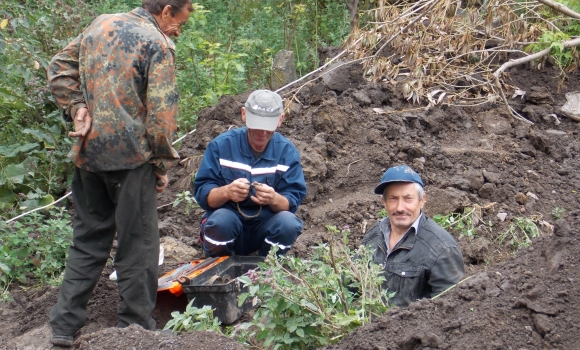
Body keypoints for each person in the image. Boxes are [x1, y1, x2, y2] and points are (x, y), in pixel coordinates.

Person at [47, 0, 193, 346]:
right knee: (138, 246)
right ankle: (135, 330)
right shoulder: (157, 43)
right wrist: (159, 166)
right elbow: (161, 120)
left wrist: (78, 107)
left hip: (90, 156)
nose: (178, 31)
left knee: (87, 241)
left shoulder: (101, 23)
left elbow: (58, 67)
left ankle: (64, 326)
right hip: (131, 161)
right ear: (167, 10)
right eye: (180, 22)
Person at [193, 90, 306, 257]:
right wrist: (226, 192)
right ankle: (219, 266)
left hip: (265, 226)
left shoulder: (286, 152)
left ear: (280, 120)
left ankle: (266, 269)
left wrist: (274, 198)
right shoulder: (221, 146)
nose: (262, 132)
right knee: (221, 222)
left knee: (288, 223)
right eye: (257, 125)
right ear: (244, 115)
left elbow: (291, 202)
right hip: (228, 221)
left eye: (267, 126)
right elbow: (203, 195)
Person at [362, 165, 465, 307]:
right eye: (393, 199)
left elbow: (451, 308)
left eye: (408, 199)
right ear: (383, 202)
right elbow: (352, 282)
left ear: (422, 200)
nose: (400, 208)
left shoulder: (441, 248)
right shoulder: (373, 235)